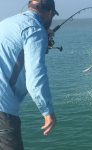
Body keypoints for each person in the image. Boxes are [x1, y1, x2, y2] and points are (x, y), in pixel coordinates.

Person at [0, 0, 59, 149]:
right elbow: (35, 76)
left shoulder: (7, 23)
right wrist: (47, 111)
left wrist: (43, 40)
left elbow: (16, 53)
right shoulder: (35, 30)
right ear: (50, 13)